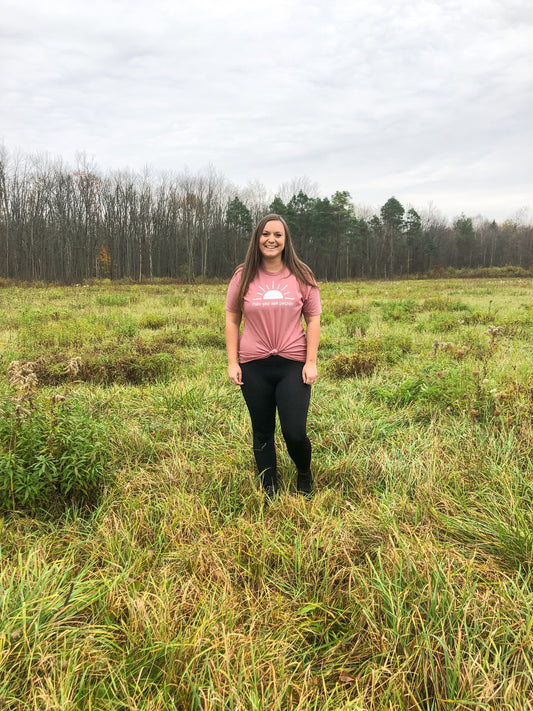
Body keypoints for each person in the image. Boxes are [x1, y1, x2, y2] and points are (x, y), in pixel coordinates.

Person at [225, 213, 321, 499]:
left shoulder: (302, 275)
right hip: (253, 365)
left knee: (294, 432)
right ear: (257, 239)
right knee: (263, 432)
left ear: (285, 240)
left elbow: (313, 319)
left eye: (278, 235)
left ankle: (303, 471)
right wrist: (233, 362)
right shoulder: (243, 276)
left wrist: (311, 362)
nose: (271, 239)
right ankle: (270, 489)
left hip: (293, 364)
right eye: (266, 234)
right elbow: (232, 319)